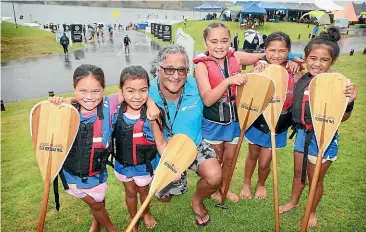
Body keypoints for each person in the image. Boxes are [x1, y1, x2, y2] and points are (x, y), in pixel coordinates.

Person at [279, 27, 357, 228]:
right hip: (302, 134)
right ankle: (293, 202)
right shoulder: (302, 78)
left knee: (314, 178)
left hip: (324, 137)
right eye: (313, 58)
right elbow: (286, 61)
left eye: (324, 60)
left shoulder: (337, 84)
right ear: (305, 57)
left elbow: (344, 117)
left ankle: (311, 210)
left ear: (333, 62)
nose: (318, 64)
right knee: (298, 173)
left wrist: (349, 101)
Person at [193, 22, 270, 203]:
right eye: (214, 41)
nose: (219, 46)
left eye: (224, 41)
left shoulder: (236, 56)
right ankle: (215, 188)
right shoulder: (201, 66)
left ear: (230, 41)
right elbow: (207, 99)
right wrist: (228, 81)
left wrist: (260, 63)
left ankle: (225, 189)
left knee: (230, 159)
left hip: (236, 121)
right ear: (205, 43)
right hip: (213, 123)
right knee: (216, 162)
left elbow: (265, 55)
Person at [150, 45, 222, 226]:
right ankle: (174, 183)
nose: (176, 75)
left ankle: (196, 201)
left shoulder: (197, 85)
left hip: (194, 144)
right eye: (169, 69)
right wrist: (69, 100)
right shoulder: (145, 90)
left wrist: (261, 62)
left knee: (215, 177)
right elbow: (115, 96)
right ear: (158, 69)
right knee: (163, 198)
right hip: (164, 149)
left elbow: (226, 62)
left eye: (181, 69)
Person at [49, 64, 118, 232]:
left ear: (104, 89)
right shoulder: (65, 111)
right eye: (82, 91)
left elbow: (136, 87)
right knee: (95, 203)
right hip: (73, 174)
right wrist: (64, 102)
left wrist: (151, 106)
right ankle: (111, 228)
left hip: (97, 172)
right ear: (74, 88)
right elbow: (42, 124)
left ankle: (96, 221)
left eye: (96, 91)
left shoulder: (110, 104)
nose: (89, 97)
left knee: (99, 200)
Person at [239, 32, 295, 199]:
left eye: (282, 51)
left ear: (288, 51)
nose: (276, 55)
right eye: (272, 50)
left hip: (279, 123)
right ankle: (246, 183)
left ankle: (261, 184)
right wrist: (256, 73)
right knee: (253, 154)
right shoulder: (260, 67)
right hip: (258, 121)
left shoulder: (292, 69)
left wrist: (296, 61)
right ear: (265, 50)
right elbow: (248, 93)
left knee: (265, 161)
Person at [111, 66, 168, 232]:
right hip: (123, 165)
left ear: (148, 90)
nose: (137, 96)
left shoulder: (153, 115)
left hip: (144, 166)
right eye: (130, 91)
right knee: (129, 192)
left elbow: (160, 143)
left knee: (144, 192)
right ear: (120, 90)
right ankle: (133, 220)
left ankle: (146, 213)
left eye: (143, 90)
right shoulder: (114, 112)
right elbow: (92, 100)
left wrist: (171, 165)